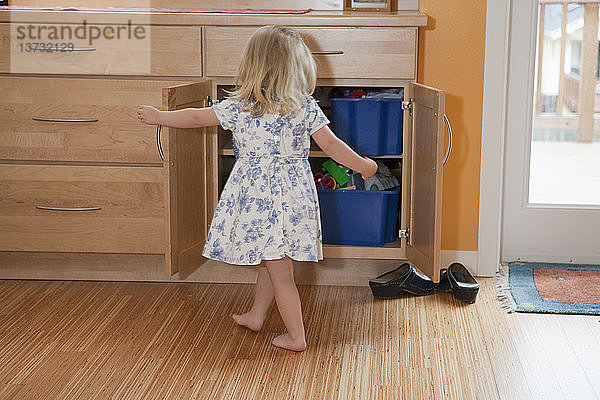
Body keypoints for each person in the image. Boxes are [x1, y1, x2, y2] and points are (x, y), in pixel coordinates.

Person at [137, 25, 378, 352]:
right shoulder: (304, 107)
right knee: (272, 260)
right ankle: (256, 315)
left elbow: (195, 118)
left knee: (280, 271)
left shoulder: (243, 107)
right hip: (290, 201)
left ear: (252, 65)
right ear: (299, 67)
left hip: (260, 201)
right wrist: (363, 166)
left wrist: (160, 116)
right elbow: (333, 147)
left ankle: (296, 336)